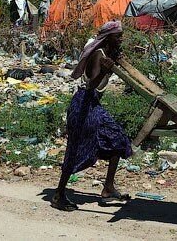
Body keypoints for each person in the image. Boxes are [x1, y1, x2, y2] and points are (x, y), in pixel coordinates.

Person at [52, 20, 133, 211]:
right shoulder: (98, 56)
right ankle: (58, 195)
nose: (121, 39)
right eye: (118, 36)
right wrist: (105, 70)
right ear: (108, 38)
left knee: (118, 139)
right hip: (84, 104)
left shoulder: (106, 53)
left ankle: (108, 187)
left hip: (92, 104)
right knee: (75, 150)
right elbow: (91, 85)